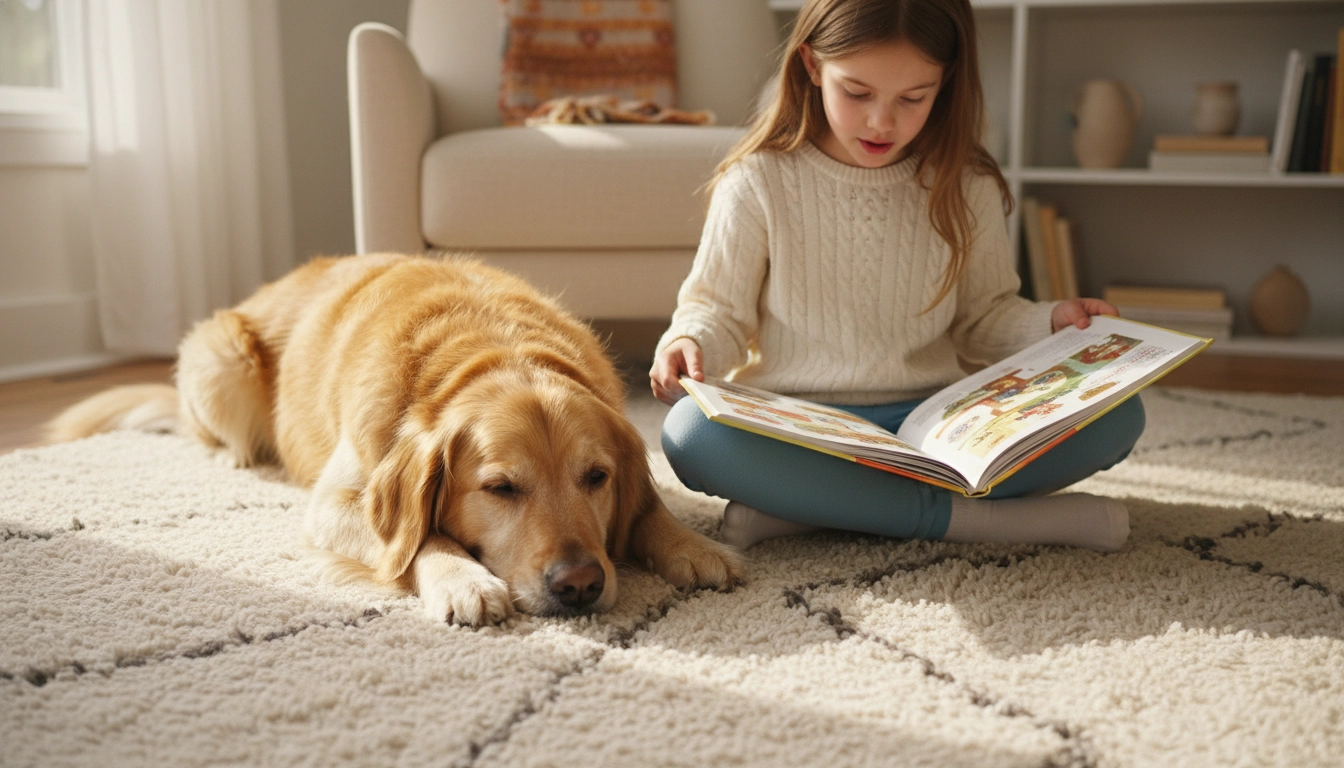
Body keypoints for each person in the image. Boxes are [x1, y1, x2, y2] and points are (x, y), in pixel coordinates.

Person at [649, 0, 1141, 552]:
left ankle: (816, 508)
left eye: (913, 98)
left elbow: (986, 319)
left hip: (937, 421)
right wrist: (689, 343)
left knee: (1119, 413)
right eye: (857, 92)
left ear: (946, 82)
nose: (882, 121)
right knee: (692, 433)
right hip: (805, 426)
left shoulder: (966, 183)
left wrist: (1053, 321)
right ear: (811, 66)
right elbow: (717, 311)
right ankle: (977, 521)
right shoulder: (758, 181)